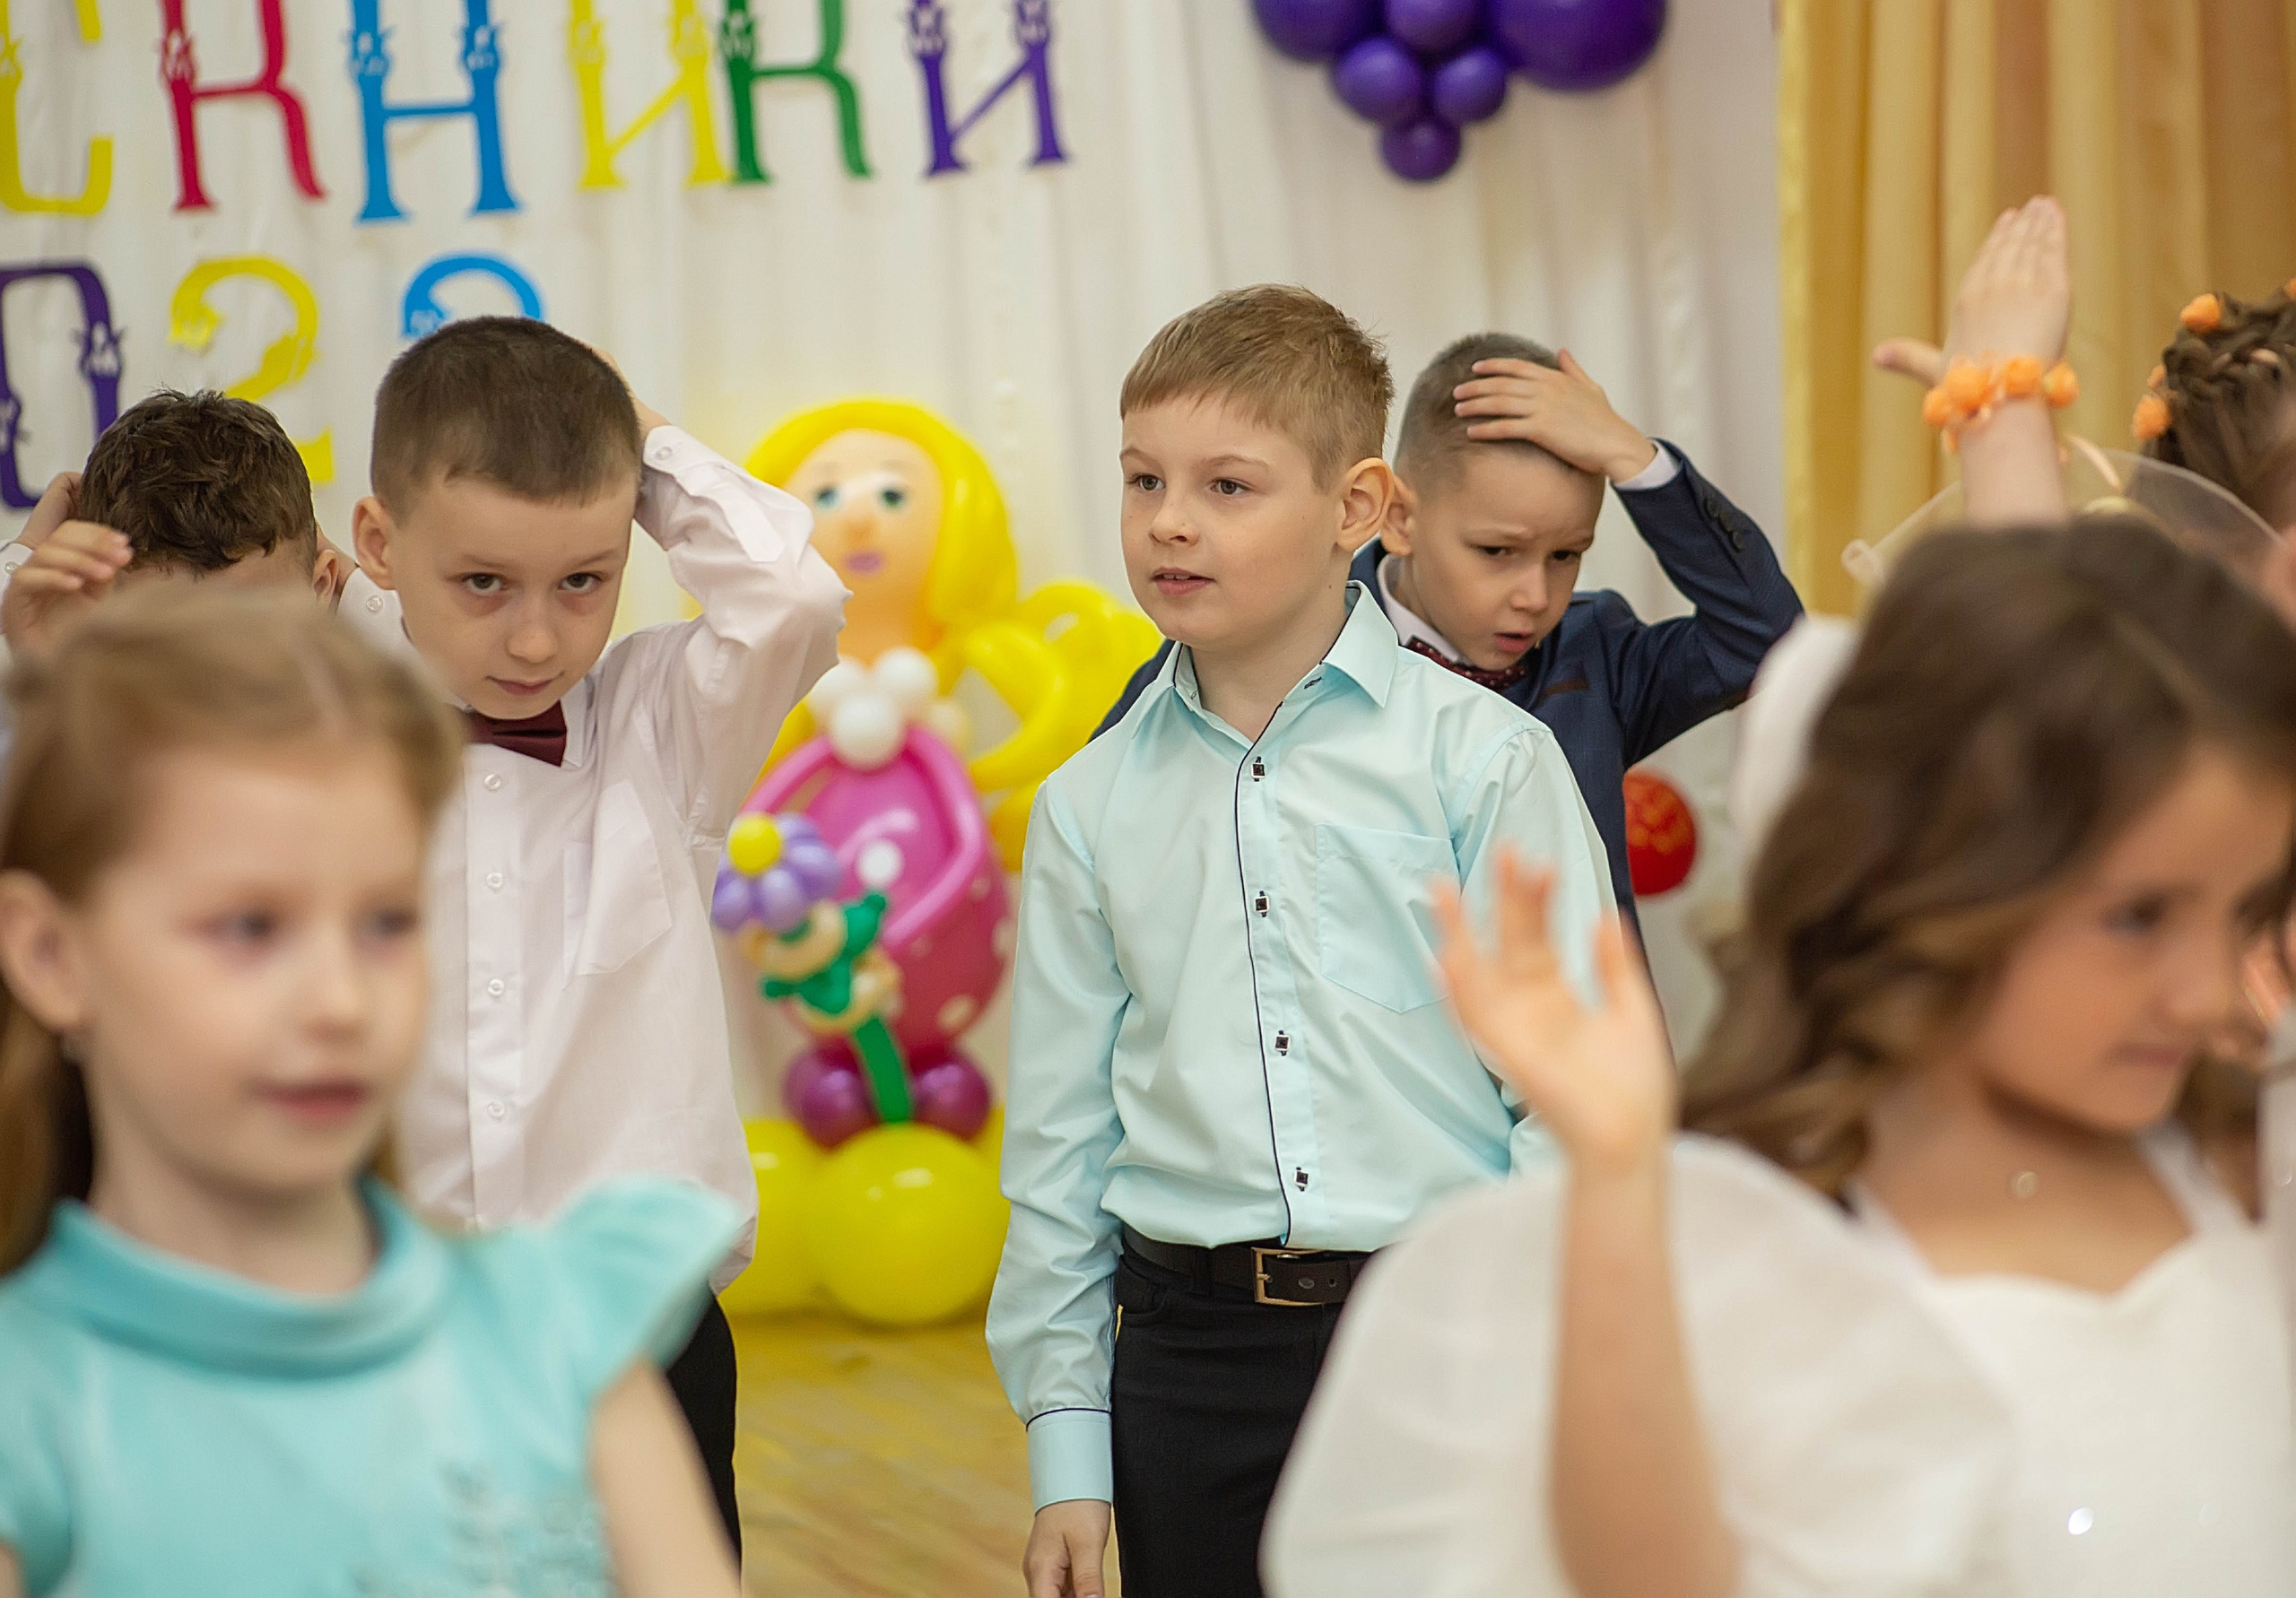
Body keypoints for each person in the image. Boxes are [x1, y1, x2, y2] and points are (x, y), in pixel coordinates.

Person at [1265, 514, 2296, 1598]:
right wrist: (1617, 1179)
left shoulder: (2228, 1153)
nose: (2207, 991)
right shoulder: (1764, 1243)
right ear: (1935, 872)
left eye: (2245, 915)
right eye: (2137, 918)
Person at [988, 284, 1613, 1598]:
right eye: (1143, 478)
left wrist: (1512, 1348)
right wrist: (1068, 1453)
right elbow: (1058, 1146)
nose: (1169, 518)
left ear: (1356, 508)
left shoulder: (1486, 761)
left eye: (1227, 485)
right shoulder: (1086, 806)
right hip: (1187, 1361)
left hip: (1438, 1335)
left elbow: (1568, 1096)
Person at [0, 586, 744, 1597]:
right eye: (249, 928)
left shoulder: (565, 1334)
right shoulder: (31, 1400)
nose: (342, 1002)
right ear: (50, 952)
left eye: (389, 922)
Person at [344, 317, 848, 1559]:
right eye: (482, 583)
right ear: (378, 545)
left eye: (584, 580)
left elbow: (788, 596)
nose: (535, 637)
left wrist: (646, 449)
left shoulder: (660, 728)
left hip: (644, 1335)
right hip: (395, 1332)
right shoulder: (321, 715)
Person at [1097, 333, 1800, 920]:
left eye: (1565, 556)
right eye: (1497, 552)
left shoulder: (1597, 656)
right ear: (1398, 516)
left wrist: (1636, 461)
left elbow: (1764, 637)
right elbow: (1110, 847)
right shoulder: (1256, 654)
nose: (1534, 594)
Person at [0, 390, 378, 659]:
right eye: (166, 642)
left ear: (321, 591)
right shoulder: (66, 744)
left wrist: (368, 594)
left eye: (255, 627)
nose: (216, 674)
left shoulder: (378, 747)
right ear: (97, 622)